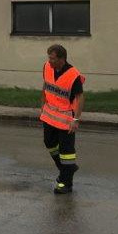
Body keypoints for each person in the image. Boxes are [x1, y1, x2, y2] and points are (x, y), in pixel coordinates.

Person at [40, 44, 85, 194]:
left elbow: (79, 97)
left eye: (52, 59)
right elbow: (45, 86)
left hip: (66, 118)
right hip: (50, 114)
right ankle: (68, 169)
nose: (49, 61)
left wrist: (76, 119)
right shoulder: (47, 67)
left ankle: (66, 183)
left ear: (62, 59)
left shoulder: (73, 75)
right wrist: (42, 105)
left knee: (67, 151)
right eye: (49, 58)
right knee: (49, 143)